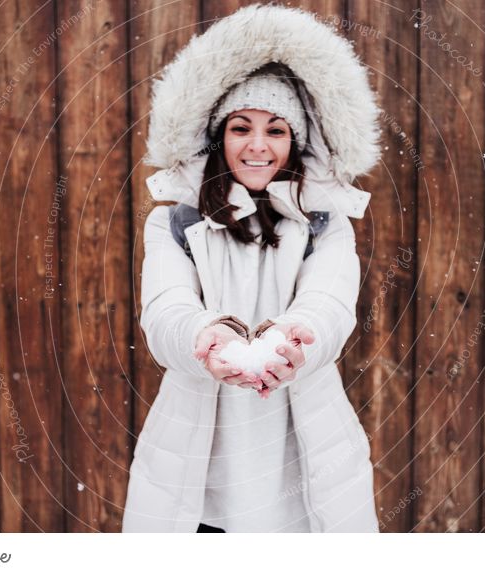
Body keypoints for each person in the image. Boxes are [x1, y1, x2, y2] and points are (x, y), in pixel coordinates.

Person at [122, 3, 383, 533]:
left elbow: (329, 304)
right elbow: (166, 309)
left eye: (276, 130)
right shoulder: (175, 223)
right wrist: (205, 337)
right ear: (220, 136)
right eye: (241, 127)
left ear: (296, 143)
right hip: (199, 459)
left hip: (301, 453)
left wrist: (293, 343)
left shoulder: (323, 225)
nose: (258, 145)